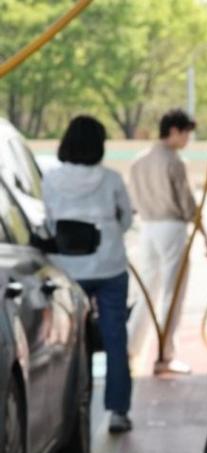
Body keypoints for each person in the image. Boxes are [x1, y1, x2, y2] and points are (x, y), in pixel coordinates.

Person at [42, 116, 134, 433]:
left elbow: (49, 222)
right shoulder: (111, 180)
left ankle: (66, 413)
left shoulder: (50, 180)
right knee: (115, 338)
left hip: (68, 270)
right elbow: (126, 219)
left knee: (67, 343)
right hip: (110, 266)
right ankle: (119, 412)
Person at [127, 109, 198, 375]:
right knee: (172, 293)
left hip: (147, 228)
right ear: (175, 130)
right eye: (186, 133)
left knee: (147, 290)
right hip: (172, 228)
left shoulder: (138, 161)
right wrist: (199, 227)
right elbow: (186, 202)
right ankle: (165, 355)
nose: (188, 139)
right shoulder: (174, 162)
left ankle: (131, 347)